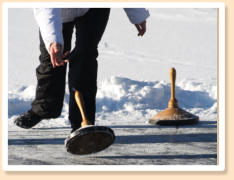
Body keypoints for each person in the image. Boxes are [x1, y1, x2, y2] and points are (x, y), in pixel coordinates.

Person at [14, 8, 150, 133]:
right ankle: (44, 108)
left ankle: (83, 122)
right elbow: (46, 9)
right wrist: (53, 41)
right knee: (52, 61)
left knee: (84, 58)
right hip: (57, 11)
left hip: (93, 9)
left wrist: (137, 14)